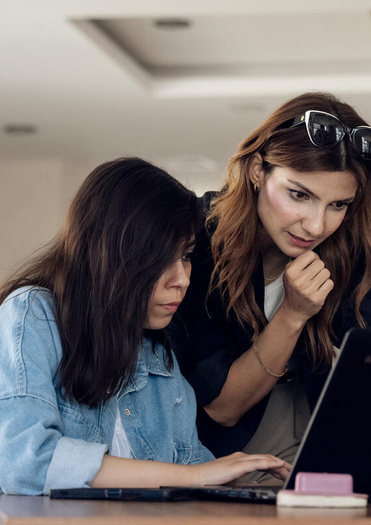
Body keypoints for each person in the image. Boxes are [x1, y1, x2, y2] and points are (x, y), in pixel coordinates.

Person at [0, 158, 289, 495]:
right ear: (112, 253)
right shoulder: (33, 314)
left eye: (186, 256)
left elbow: (194, 468)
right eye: (161, 259)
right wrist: (197, 477)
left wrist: (250, 487)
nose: (181, 280)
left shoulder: (157, 355)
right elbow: (23, 461)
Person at [168, 92, 371, 470]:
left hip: (322, 438)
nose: (317, 225)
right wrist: (292, 314)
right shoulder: (195, 242)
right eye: (299, 195)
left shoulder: (345, 247)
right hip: (218, 450)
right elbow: (223, 409)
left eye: (338, 204)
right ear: (258, 170)